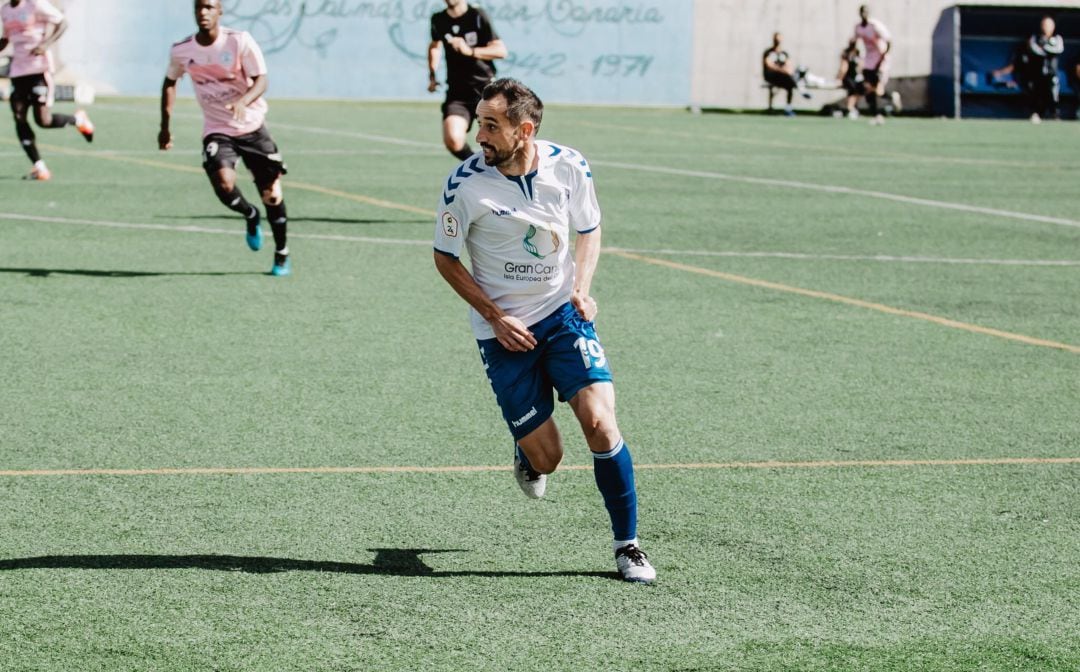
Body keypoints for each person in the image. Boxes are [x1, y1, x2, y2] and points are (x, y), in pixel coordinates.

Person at [432, 78, 656, 583]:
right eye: (479, 123)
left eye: (491, 126)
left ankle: (629, 545)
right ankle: (527, 453)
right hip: (503, 333)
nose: (478, 135)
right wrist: (494, 315)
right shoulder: (463, 184)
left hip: (562, 315)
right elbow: (445, 259)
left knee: (601, 423)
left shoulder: (570, 167)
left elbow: (589, 229)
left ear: (524, 130)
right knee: (549, 459)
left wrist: (583, 287)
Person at [159, 0, 291, 276]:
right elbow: (170, 82)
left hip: (252, 128)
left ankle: (281, 254)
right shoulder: (182, 50)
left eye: (209, 7)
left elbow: (262, 80)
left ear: (220, 11)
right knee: (223, 183)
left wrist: (244, 101)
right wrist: (165, 126)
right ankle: (250, 214)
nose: (204, 13)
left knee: (272, 195)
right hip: (218, 129)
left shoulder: (239, 41)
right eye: (199, 7)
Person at [0, 0, 93, 181]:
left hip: (39, 70)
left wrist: (46, 44)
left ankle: (78, 120)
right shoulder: (5, 10)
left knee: (43, 120)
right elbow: (6, 38)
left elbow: (63, 23)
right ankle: (39, 167)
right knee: (19, 116)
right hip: (18, 71)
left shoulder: (35, 4)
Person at [427, 0, 506, 160]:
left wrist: (469, 51)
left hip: (485, 90)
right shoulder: (438, 19)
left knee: (500, 141)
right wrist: (432, 74)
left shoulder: (477, 15)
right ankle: (478, 168)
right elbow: (435, 46)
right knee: (453, 140)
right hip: (457, 93)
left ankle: (508, 174)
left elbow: (500, 50)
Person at [991, 16, 1064, 123]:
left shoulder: (1057, 38)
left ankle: (1055, 114)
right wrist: (1043, 49)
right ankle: (1036, 113)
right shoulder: (1035, 37)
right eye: (1044, 25)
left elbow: (1058, 50)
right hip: (1036, 73)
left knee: (1053, 89)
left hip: (1051, 73)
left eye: (1049, 25)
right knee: (1036, 91)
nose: (1046, 27)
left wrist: (1044, 48)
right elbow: (1034, 50)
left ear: (1053, 27)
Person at [852, 4, 892, 125]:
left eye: (866, 12)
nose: (864, 14)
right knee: (867, 88)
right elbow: (855, 42)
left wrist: (884, 56)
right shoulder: (858, 27)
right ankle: (876, 115)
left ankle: (890, 98)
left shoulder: (875, 26)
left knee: (877, 89)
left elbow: (889, 40)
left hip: (880, 58)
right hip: (869, 60)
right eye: (862, 12)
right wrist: (854, 54)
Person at [762, 32, 810, 116]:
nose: (777, 40)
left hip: (785, 77)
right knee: (789, 79)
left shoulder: (784, 53)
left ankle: (788, 108)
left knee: (790, 85)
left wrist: (786, 71)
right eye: (776, 38)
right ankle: (801, 90)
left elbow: (789, 66)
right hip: (772, 76)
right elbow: (769, 66)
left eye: (779, 38)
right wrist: (782, 70)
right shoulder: (768, 52)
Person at [837, 39, 864, 118]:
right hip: (848, 77)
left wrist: (861, 74)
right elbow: (844, 67)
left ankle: (851, 108)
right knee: (852, 91)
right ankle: (849, 109)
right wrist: (840, 78)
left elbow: (860, 65)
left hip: (855, 77)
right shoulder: (846, 52)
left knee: (859, 91)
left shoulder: (857, 52)